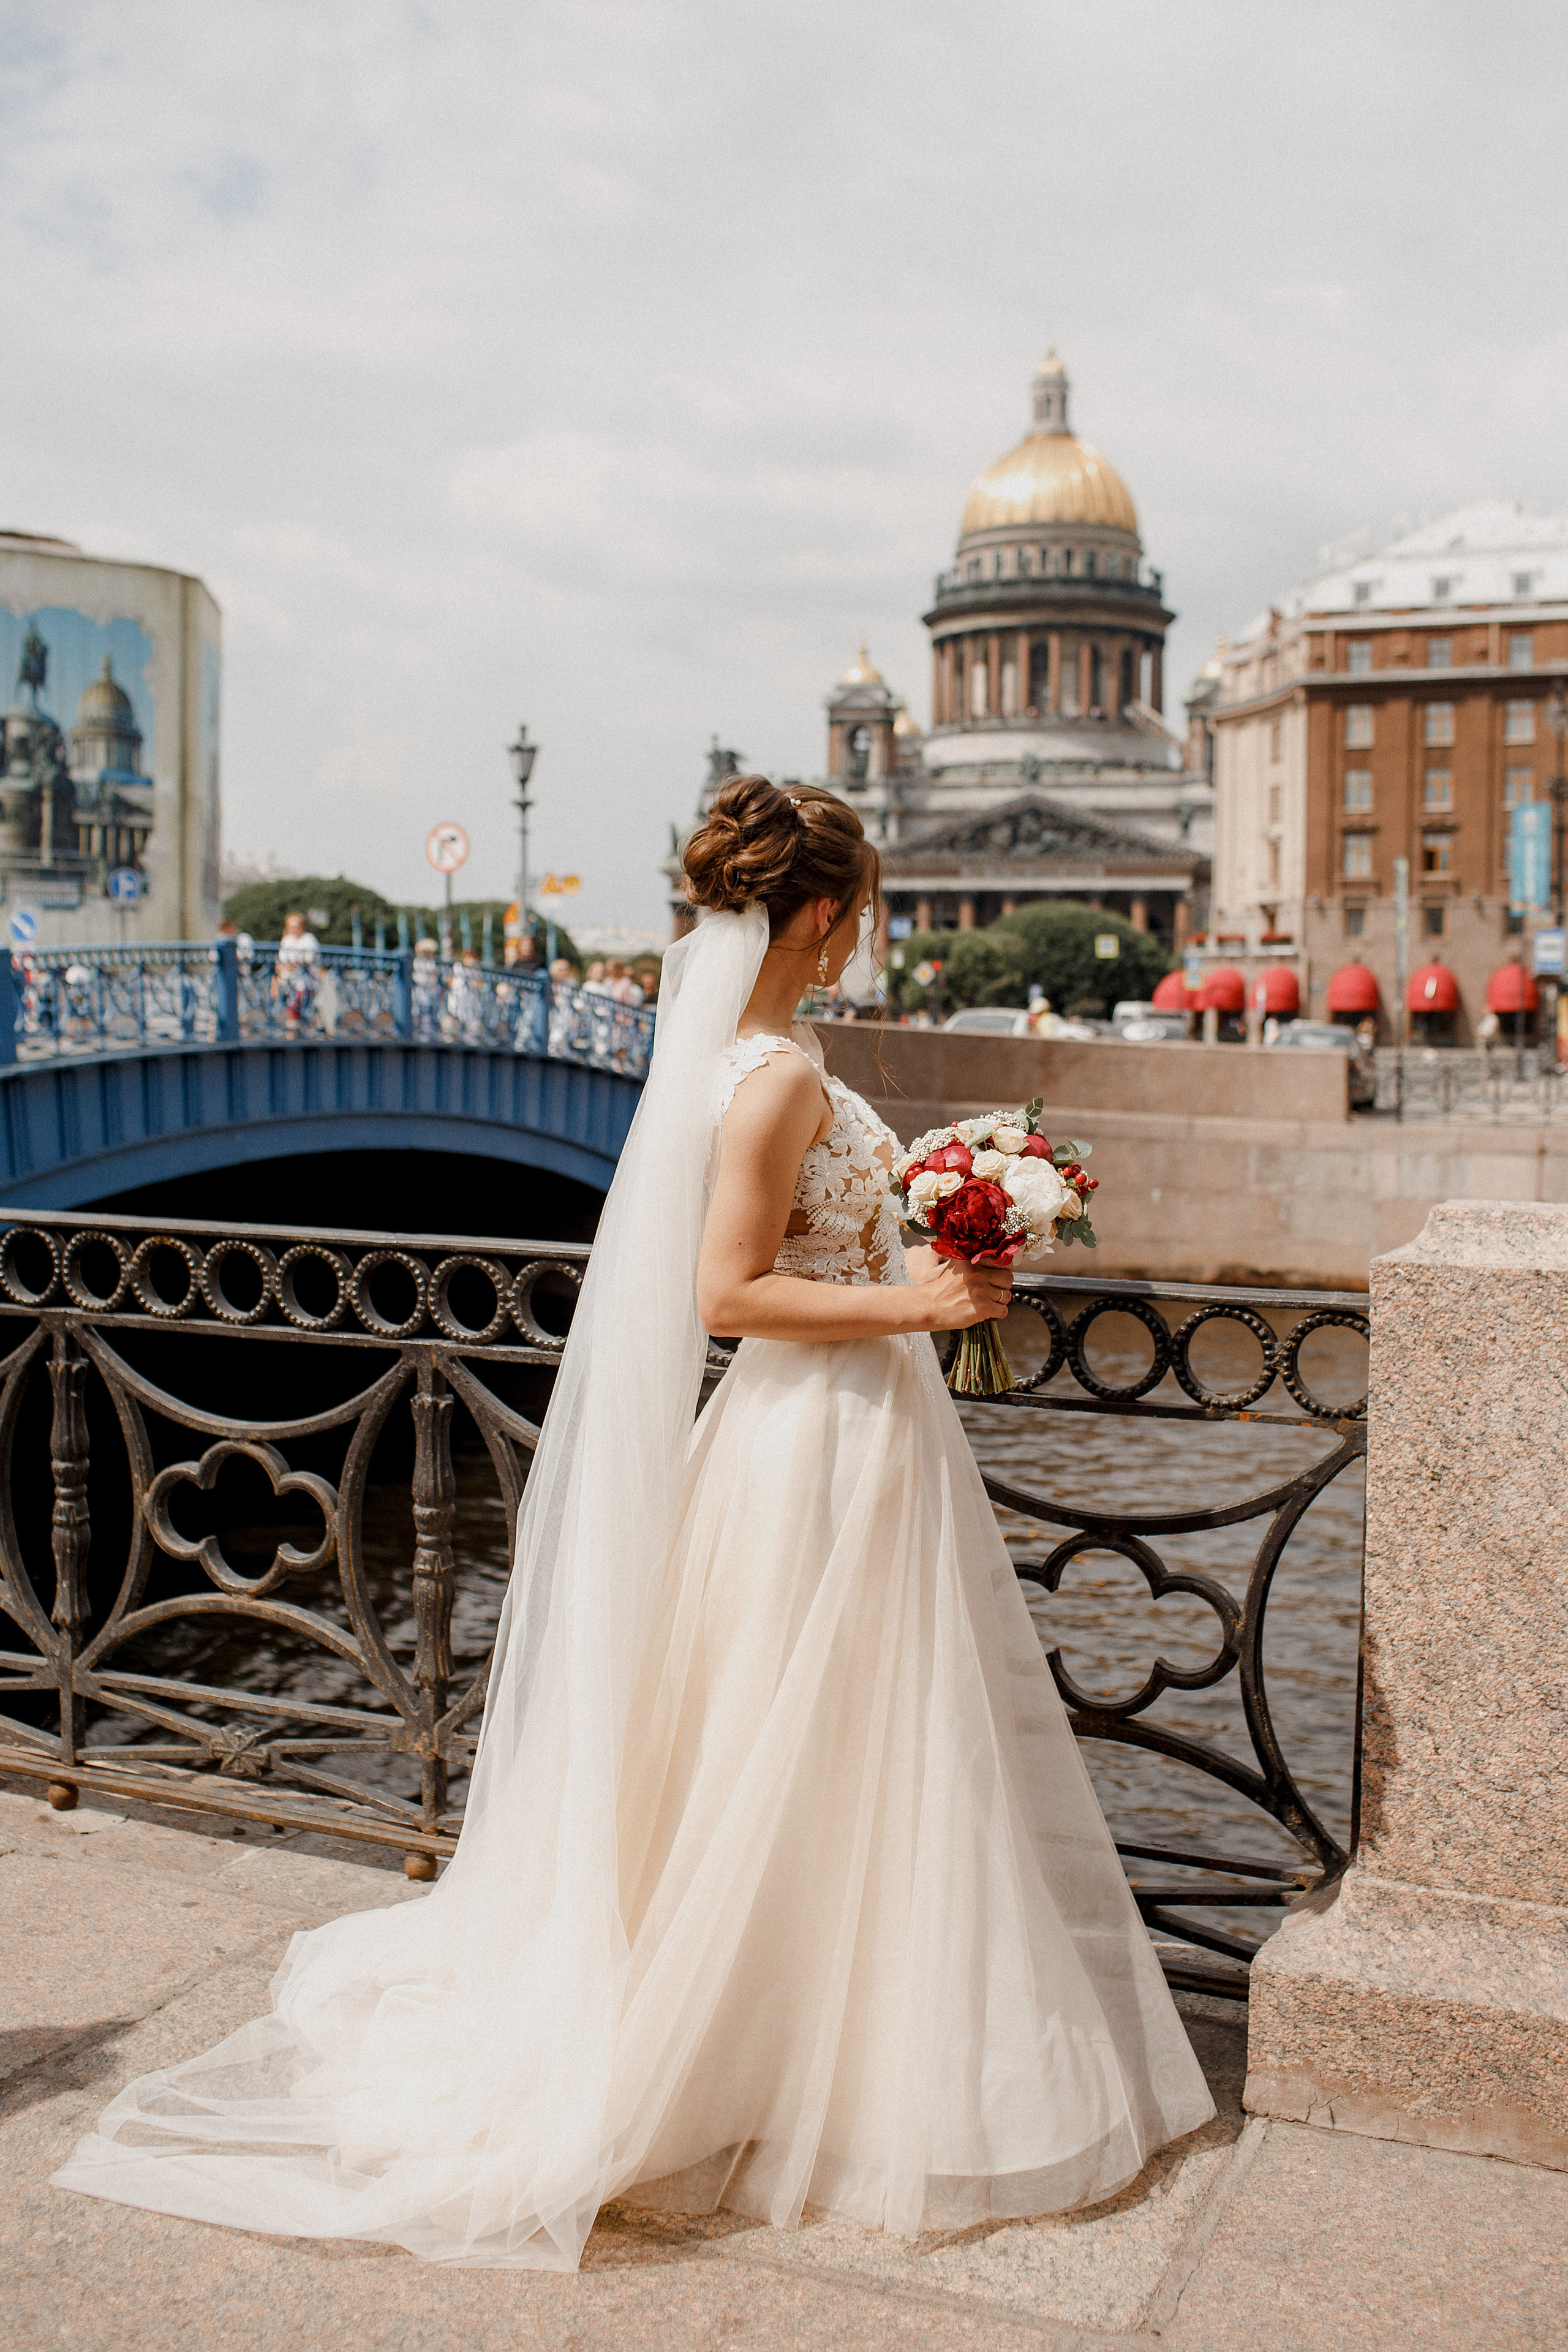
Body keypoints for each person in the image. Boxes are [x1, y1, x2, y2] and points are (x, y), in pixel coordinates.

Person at [55, 774, 1213, 2266]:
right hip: (817, 1433)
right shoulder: (774, 1077)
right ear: (819, 913)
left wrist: (944, 1218)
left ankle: (794, 2025)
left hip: (838, 1432)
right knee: (827, 1732)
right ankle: (795, 2043)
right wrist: (919, 1305)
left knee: (814, 1737)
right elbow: (726, 1292)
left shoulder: (749, 1057)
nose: (862, 933)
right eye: (858, 911)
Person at [271, 911, 320, 1034]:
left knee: (302, 1014)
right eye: (290, 927)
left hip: (306, 984)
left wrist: (290, 965)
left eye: (296, 926)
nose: (293, 929)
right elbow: (282, 961)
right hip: (289, 984)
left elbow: (307, 961)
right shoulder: (287, 940)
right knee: (292, 1014)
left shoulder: (309, 940)